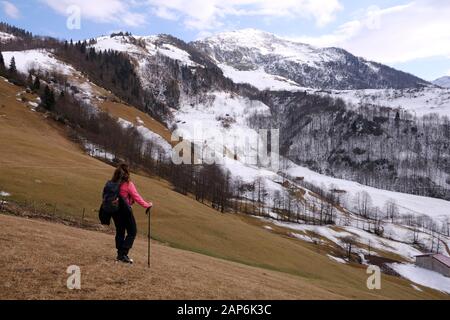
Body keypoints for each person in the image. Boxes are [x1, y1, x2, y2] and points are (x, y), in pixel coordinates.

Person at [108, 163, 153, 264]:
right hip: (125, 211)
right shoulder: (128, 184)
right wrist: (147, 205)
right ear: (127, 173)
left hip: (115, 211)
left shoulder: (112, 183)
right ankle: (123, 254)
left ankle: (120, 254)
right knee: (132, 231)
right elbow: (137, 197)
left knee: (120, 231)